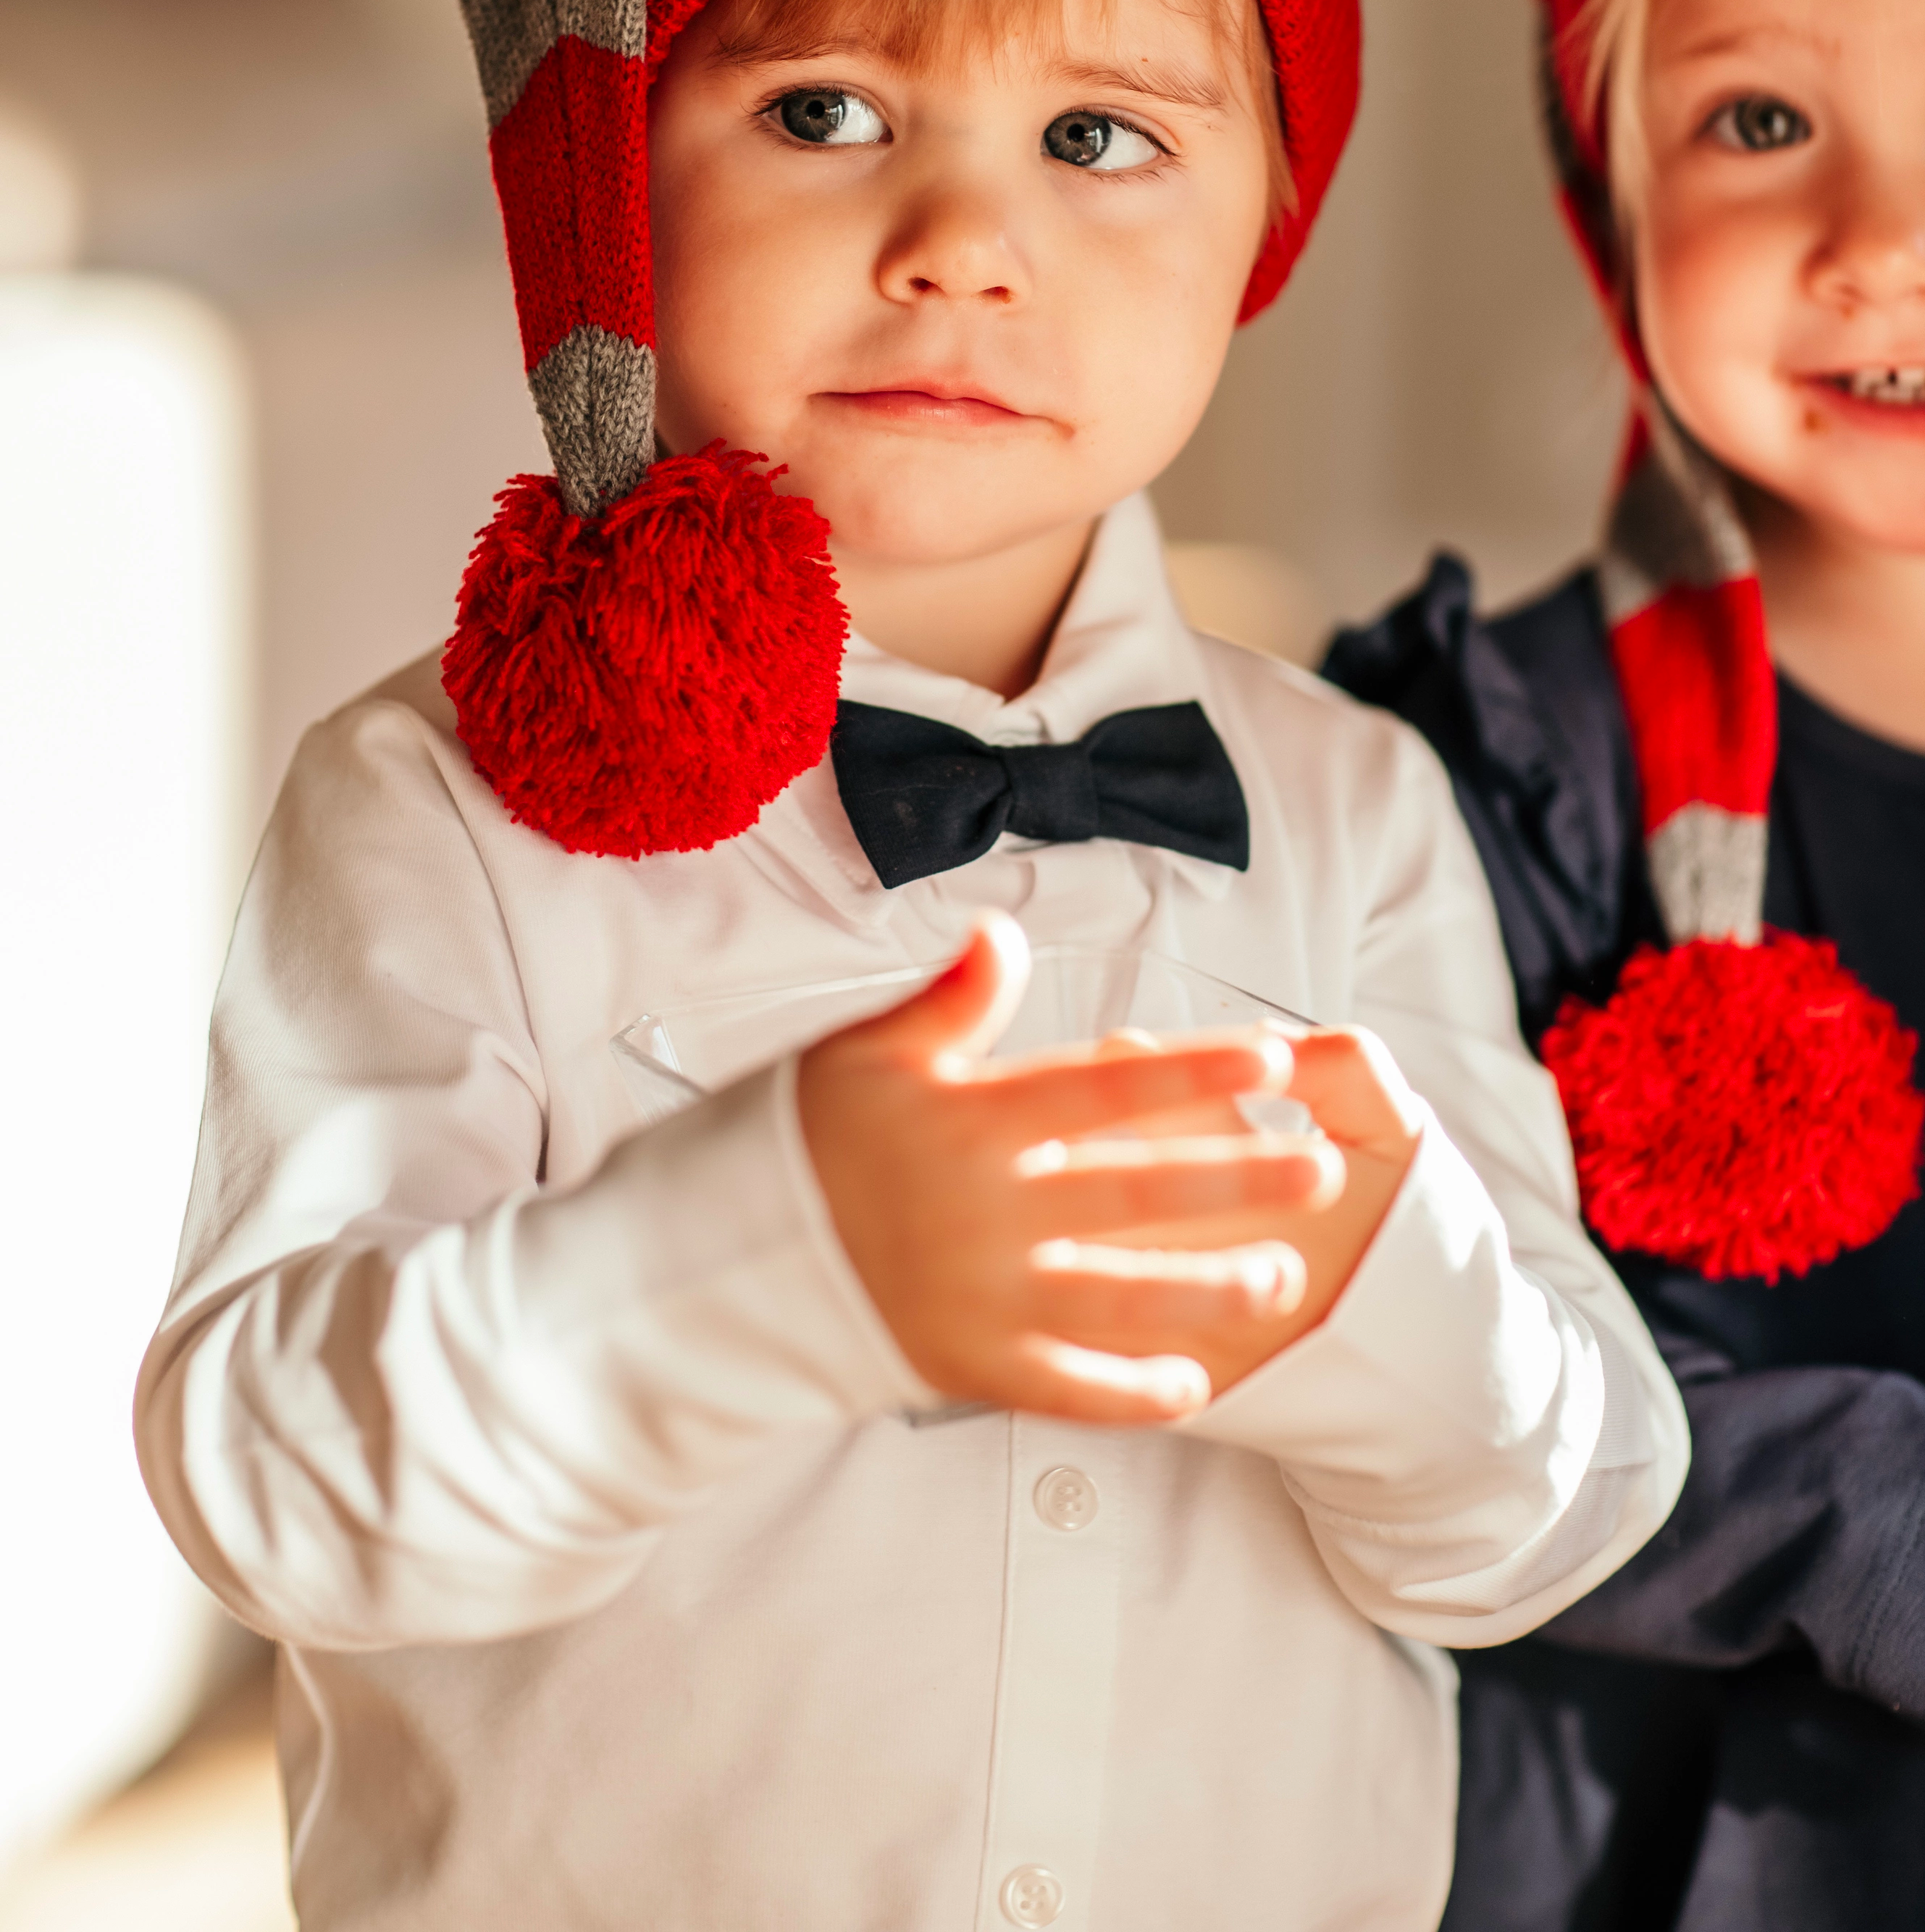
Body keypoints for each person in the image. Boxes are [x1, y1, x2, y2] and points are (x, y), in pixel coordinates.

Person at [133, 0, 1688, 1925]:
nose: (961, 236)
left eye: (1102, 139)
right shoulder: (437, 804)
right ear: (606, 183)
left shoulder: (1358, 810)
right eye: (824, 106)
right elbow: (270, 1483)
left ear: (1270, 217)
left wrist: (1385, 1308)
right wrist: (748, 1268)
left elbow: (1572, 1515)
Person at [1326, 0, 1925, 1924]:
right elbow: (1415, 1372)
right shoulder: (1472, 768)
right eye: (1761, 117)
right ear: (1610, 197)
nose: (1889, 233)